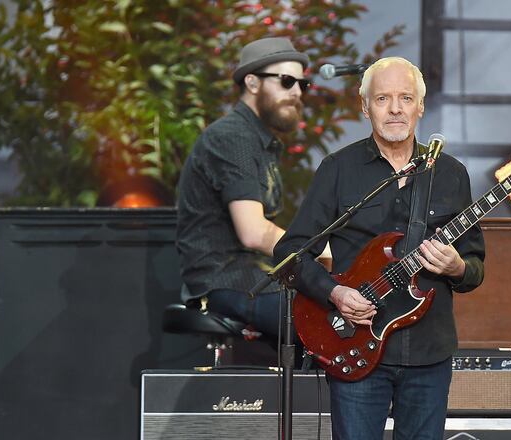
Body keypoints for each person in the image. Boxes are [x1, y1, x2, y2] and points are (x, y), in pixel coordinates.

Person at [274, 57, 485, 440]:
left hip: (428, 352)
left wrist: (456, 266)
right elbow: (291, 253)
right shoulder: (338, 169)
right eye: (383, 98)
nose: (395, 109)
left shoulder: (451, 173)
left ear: (420, 106)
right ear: (364, 106)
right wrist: (335, 293)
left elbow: (475, 269)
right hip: (353, 343)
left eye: (406, 98)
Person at [175, 37, 310, 339]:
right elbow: (253, 232)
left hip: (250, 276)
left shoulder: (259, 140)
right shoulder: (233, 136)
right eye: (287, 81)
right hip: (225, 279)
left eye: (303, 85)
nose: (297, 93)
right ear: (252, 83)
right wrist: (315, 247)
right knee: (325, 323)